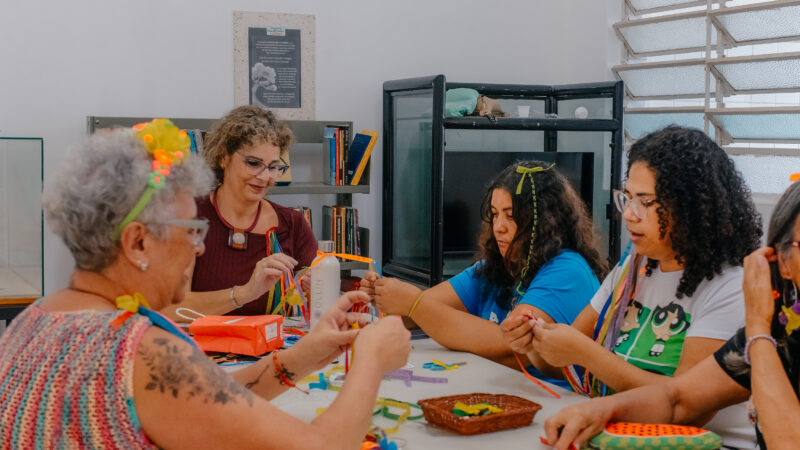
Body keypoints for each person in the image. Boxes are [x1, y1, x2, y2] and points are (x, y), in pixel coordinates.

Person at [0, 121, 411, 448]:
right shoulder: (140, 351)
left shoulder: (32, 319)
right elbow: (319, 445)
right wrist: (371, 358)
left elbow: (206, 394)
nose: (199, 248)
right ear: (137, 241)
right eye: (192, 230)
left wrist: (305, 354)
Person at [502, 126, 762, 447]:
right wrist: (535, 344)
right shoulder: (635, 265)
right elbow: (565, 362)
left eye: (645, 201)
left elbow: (684, 405)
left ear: (690, 206)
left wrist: (588, 355)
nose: (629, 215)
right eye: (627, 198)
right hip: (620, 434)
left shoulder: (732, 284)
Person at [543, 179, 800, 450]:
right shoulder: (782, 332)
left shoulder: (761, 332)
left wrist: (759, 328)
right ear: (780, 262)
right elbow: (679, 400)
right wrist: (602, 410)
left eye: (646, 201)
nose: (631, 214)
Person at [362, 160, 607, 386]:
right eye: (494, 214)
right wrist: (387, 299)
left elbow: (511, 347)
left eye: (511, 216)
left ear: (544, 222)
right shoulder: (493, 268)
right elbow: (421, 314)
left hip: (551, 404)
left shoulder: (567, 270)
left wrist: (414, 303)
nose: (498, 227)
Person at [163, 106, 317, 320]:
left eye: (273, 167)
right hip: (202, 350)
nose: (264, 177)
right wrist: (244, 293)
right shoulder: (189, 216)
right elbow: (171, 308)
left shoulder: (293, 224)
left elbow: (306, 307)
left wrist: (311, 290)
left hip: (272, 350)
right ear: (223, 157)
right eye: (253, 163)